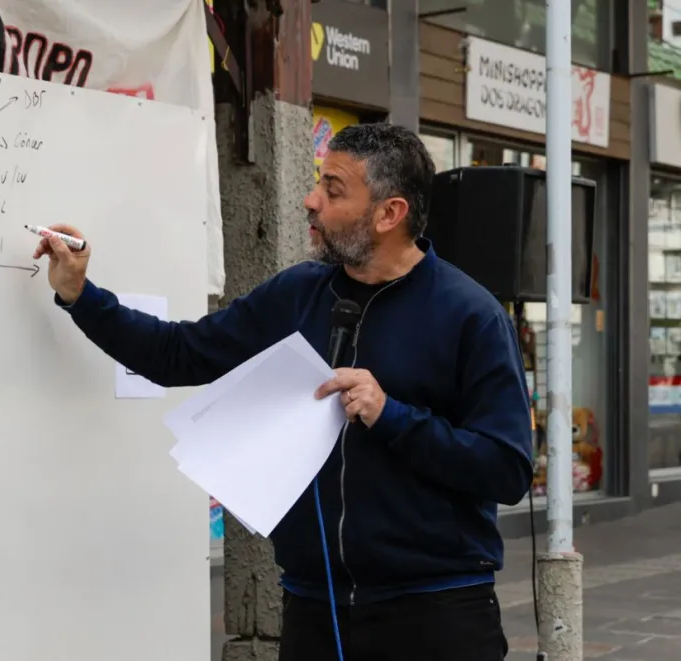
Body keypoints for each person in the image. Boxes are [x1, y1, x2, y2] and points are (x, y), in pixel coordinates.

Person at [32, 123, 532, 660]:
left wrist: (392, 416)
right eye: (318, 182)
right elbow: (178, 354)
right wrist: (81, 296)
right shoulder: (298, 293)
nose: (310, 200)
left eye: (334, 190)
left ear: (390, 214)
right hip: (313, 609)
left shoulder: (470, 316)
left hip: (435, 613)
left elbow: (505, 469)